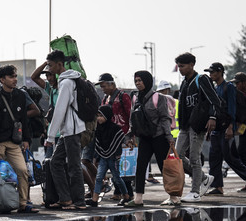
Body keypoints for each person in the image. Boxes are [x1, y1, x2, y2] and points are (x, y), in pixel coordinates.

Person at [0, 64, 38, 214]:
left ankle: (23, 204)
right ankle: (0, 202)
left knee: (22, 171)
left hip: (14, 142)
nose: (15, 79)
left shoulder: (20, 96)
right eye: (11, 76)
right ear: (2, 79)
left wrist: (26, 139)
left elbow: (23, 120)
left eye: (15, 76)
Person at [44, 50, 89, 210]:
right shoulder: (68, 80)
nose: (48, 69)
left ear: (59, 64)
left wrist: (50, 136)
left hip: (72, 130)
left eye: (50, 65)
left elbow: (60, 110)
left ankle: (78, 201)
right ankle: (66, 199)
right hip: (68, 131)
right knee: (56, 163)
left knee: (73, 166)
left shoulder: (66, 83)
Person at [124, 71, 176, 207]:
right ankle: (138, 198)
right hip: (144, 138)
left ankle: (174, 197)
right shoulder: (135, 98)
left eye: (140, 80)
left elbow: (165, 118)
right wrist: (130, 136)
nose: (138, 83)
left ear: (147, 81)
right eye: (136, 81)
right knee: (140, 167)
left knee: (164, 168)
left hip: (159, 137)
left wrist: (169, 137)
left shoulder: (159, 98)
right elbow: (132, 119)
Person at [205, 63, 246, 195]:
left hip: (226, 127)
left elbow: (232, 108)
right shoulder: (216, 88)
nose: (210, 74)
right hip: (216, 128)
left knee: (229, 157)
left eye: (212, 72)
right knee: (214, 158)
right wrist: (209, 130)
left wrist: (231, 127)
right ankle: (217, 186)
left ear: (220, 72)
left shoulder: (229, 87)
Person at [174, 52, 219, 202]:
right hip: (185, 126)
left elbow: (214, 99)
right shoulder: (184, 83)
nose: (180, 69)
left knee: (194, 158)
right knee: (177, 155)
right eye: (178, 66)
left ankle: (195, 192)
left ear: (192, 65)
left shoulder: (202, 79)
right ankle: (204, 178)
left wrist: (212, 117)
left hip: (197, 124)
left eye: (183, 66)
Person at [89, 106, 129, 207]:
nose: (99, 118)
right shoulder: (97, 128)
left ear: (107, 116)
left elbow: (121, 138)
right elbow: (97, 143)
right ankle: (94, 200)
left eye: (101, 116)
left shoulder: (114, 128)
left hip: (114, 158)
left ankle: (126, 196)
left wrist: (128, 142)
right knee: (99, 178)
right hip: (103, 157)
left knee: (117, 178)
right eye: (98, 116)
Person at [30, 62, 58, 158]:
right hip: (51, 135)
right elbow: (34, 77)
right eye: (47, 75)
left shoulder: (64, 88)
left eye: (51, 75)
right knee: (49, 164)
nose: (49, 78)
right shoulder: (50, 89)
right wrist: (47, 62)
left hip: (63, 134)